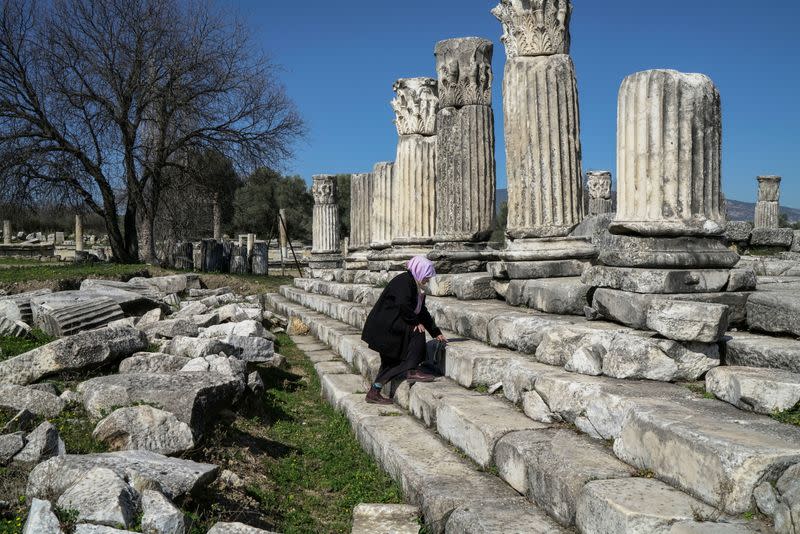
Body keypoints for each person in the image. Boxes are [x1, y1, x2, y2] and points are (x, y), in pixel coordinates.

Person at [361, 256, 448, 405]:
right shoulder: (404, 281)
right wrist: (414, 322)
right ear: (419, 271)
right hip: (386, 328)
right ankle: (411, 369)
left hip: (392, 326)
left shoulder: (414, 284)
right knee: (417, 332)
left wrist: (436, 332)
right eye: (426, 274)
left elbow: (421, 311)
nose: (427, 278)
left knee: (391, 363)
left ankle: (374, 391)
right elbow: (403, 304)